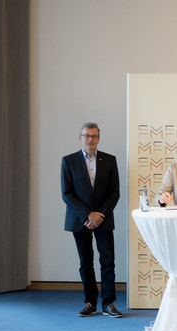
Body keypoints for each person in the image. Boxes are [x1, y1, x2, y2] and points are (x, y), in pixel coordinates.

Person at [61, 122, 122, 317]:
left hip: (103, 219)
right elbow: (67, 194)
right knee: (85, 262)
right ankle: (90, 302)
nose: (90, 139)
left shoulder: (110, 160)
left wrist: (99, 215)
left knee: (108, 261)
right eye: (86, 136)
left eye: (94, 136)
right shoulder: (68, 161)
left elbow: (114, 192)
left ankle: (108, 303)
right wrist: (88, 214)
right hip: (80, 220)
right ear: (80, 138)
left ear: (99, 138)